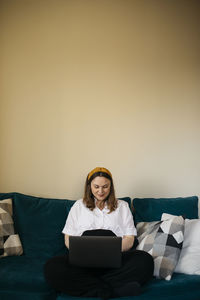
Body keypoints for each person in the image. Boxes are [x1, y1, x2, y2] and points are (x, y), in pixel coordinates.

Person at [44, 167, 154, 299]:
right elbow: (68, 237)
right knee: (52, 267)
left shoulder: (123, 206)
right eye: (96, 186)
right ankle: (112, 291)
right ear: (89, 186)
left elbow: (130, 239)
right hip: (83, 263)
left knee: (145, 260)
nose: (100, 191)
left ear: (111, 186)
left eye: (105, 187)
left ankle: (91, 286)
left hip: (115, 263)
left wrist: (110, 252)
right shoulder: (79, 206)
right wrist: (80, 252)